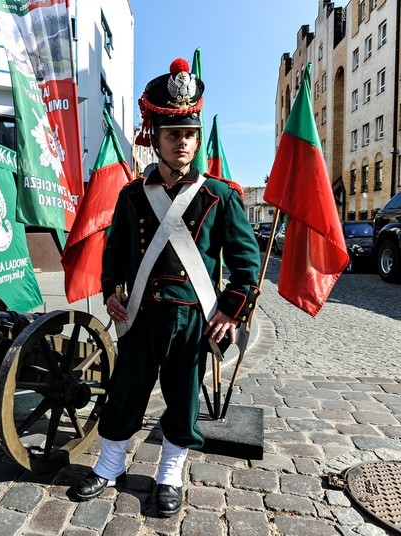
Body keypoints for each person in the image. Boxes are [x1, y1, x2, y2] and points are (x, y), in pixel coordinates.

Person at [73, 59, 261, 517]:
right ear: (154, 136)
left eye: (190, 134)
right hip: (139, 314)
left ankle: (169, 474)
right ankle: (110, 464)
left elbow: (246, 266)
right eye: (174, 134)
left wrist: (229, 312)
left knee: (183, 399)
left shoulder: (222, 195)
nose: (184, 143)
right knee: (125, 393)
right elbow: (114, 254)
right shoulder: (132, 196)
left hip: (192, 318)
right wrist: (112, 292)